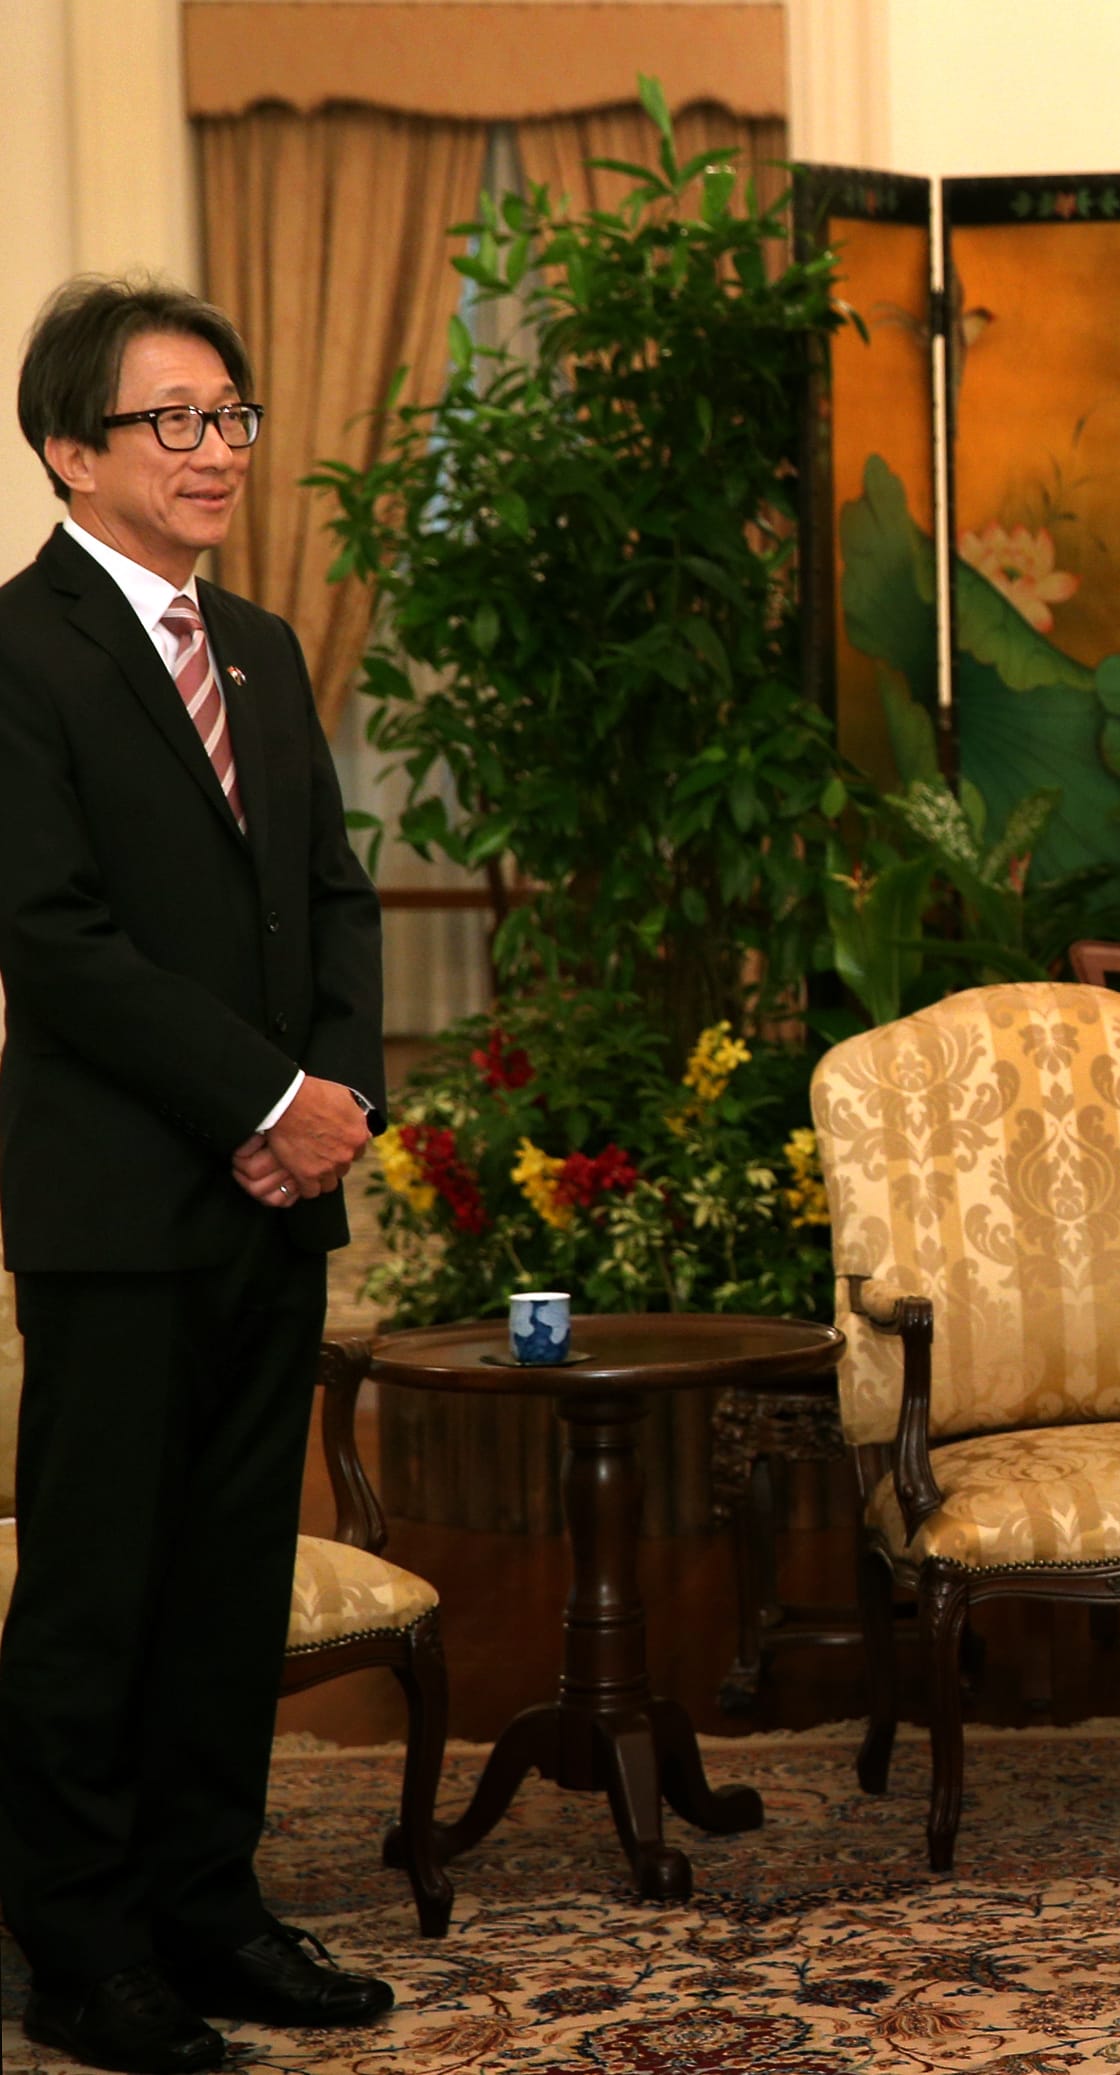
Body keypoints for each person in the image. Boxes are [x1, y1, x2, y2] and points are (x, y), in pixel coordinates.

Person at [0, 276, 389, 2071]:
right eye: (174, 419)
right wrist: (260, 1098)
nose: (216, 448)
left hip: (273, 1198)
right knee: (101, 1586)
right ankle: (79, 1949)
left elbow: (326, 896)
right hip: (118, 1208)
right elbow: (56, 942)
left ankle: (210, 1908)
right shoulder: (20, 656)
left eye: (230, 415)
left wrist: (336, 1102)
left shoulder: (266, 649)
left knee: (233, 1571)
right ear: (72, 448)